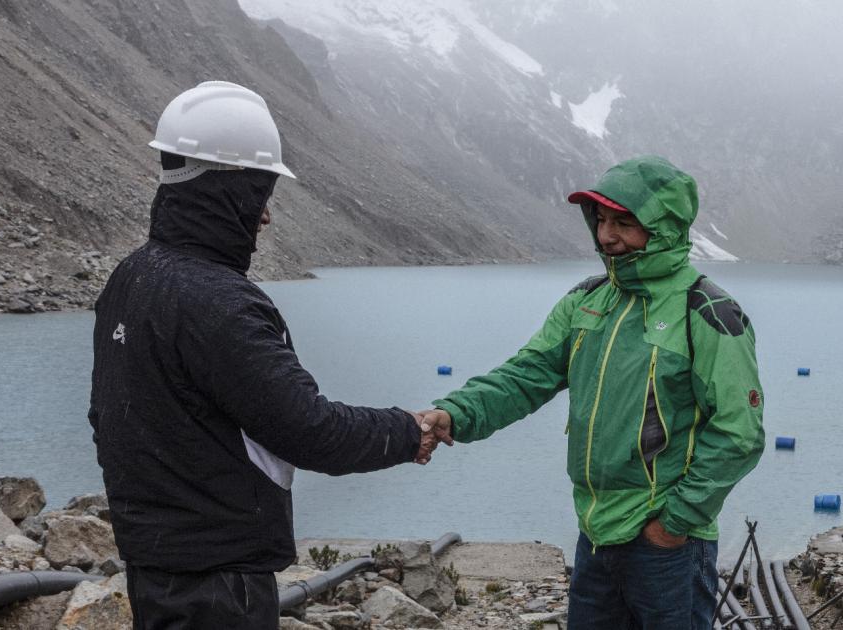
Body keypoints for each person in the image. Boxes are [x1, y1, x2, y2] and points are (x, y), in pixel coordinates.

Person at [88, 81, 439, 630]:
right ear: (231, 191)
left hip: (153, 565)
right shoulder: (219, 303)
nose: (267, 217)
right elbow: (310, 430)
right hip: (220, 582)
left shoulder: (131, 277)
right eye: (261, 194)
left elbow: (104, 420)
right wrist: (406, 430)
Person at [419, 155, 764, 629]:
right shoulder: (587, 300)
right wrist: (455, 413)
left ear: (662, 227)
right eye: (601, 220)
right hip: (596, 533)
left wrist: (674, 524)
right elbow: (527, 374)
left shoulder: (705, 312)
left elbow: (738, 434)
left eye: (624, 222)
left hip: (668, 544)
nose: (606, 235)